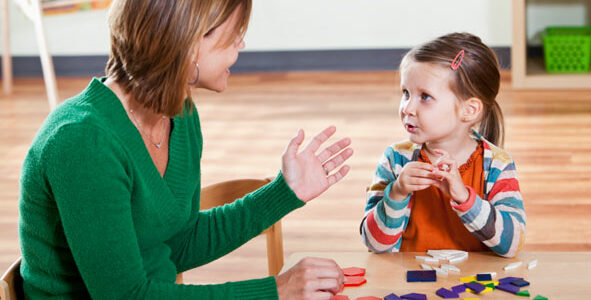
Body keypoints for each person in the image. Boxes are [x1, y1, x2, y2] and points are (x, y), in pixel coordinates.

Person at [19, 0, 353, 299]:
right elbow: (127, 296)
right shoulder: (82, 142)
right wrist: (275, 291)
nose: (242, 43)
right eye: (234, 33)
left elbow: (177, 243)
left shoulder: (181, 115)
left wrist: (283, 192)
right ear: (189, 41)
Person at [359, 33, 525, 257]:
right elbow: (374, 244)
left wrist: (466, 199)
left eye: (425, 97)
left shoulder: (498, 165)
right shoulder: (395, 160)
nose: (407, 108)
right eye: (406, 93)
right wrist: (396, 193)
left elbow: (512, 245)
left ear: (469, 110)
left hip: (475, 286)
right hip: (409, 284)